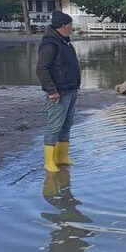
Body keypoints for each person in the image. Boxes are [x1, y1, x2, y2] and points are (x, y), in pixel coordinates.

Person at [36, 11, 80, 173]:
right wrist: (51, 90)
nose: (72, 29)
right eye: (70, 26)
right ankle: (49, 161)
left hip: (71, 89)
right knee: (54, 127)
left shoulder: (64, 42)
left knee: (66, 125)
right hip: (58, 92)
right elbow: (41, 68)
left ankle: (62, 157)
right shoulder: (50, 44)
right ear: (63, 27)